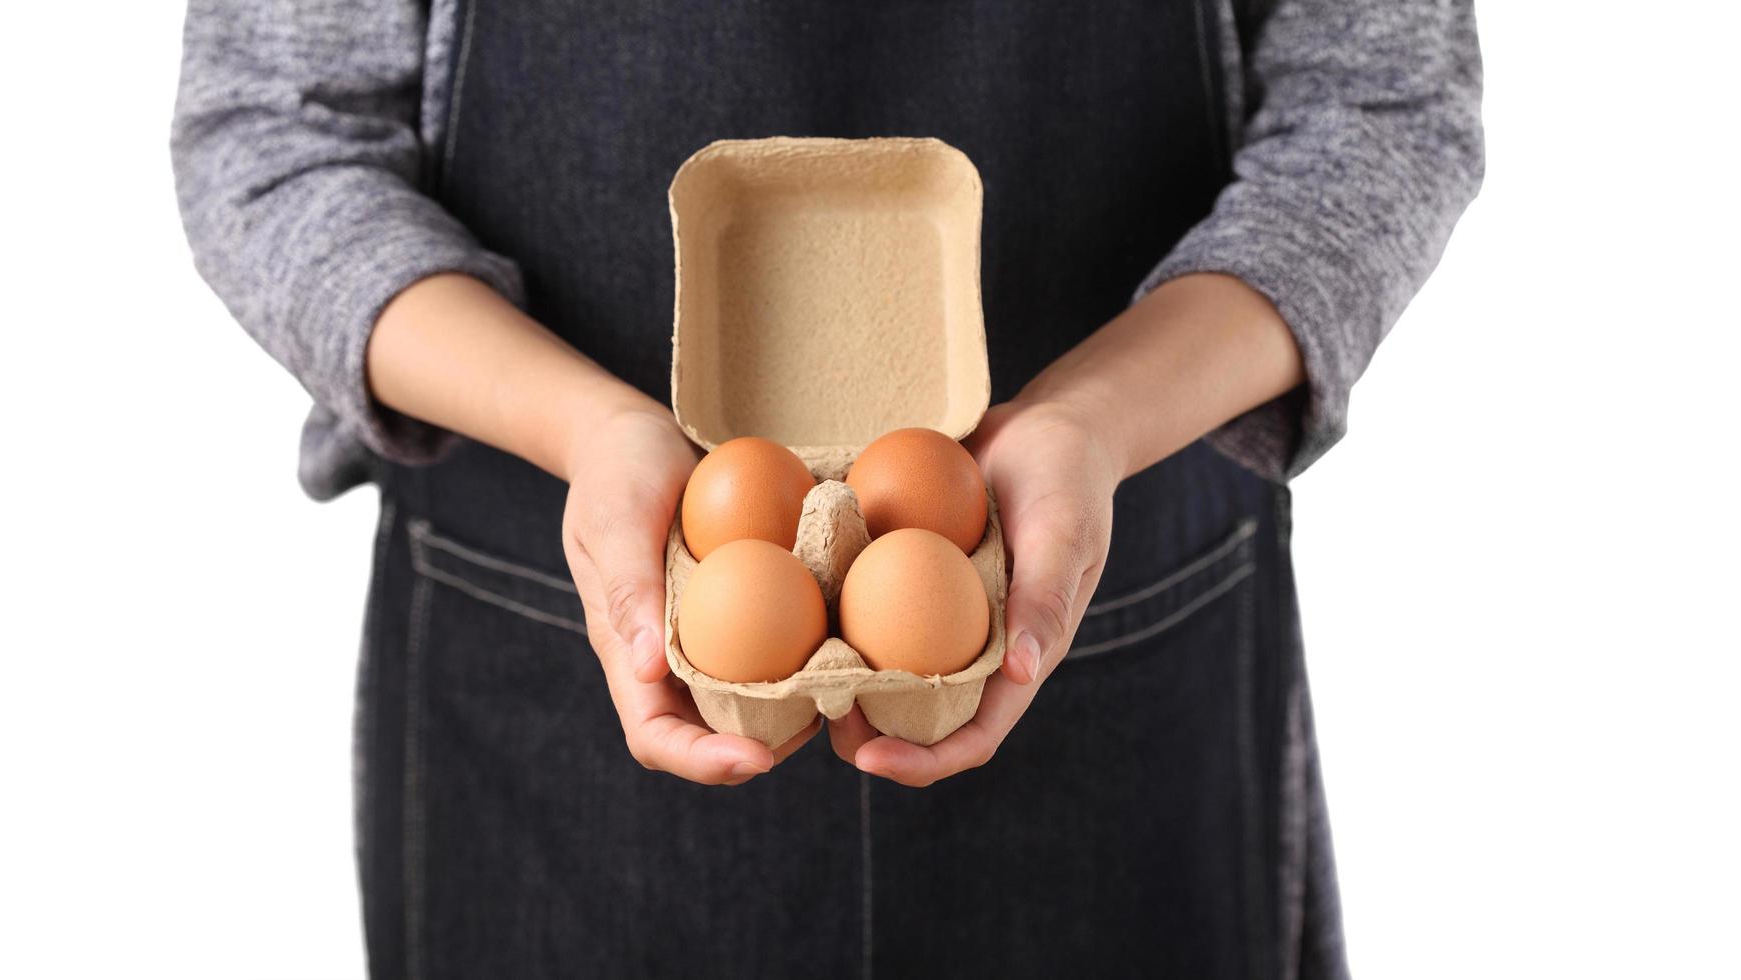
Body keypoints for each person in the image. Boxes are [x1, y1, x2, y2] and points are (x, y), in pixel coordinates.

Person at [173, 0, 1481, 976]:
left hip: (1121, 643)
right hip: (547, 690)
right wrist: (586, 431)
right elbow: (277, 137)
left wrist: (1093, 420)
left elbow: (1379, 107)